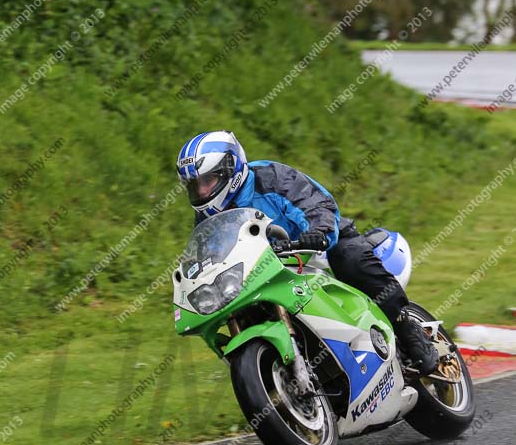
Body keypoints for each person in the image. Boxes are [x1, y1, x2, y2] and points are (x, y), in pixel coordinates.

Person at [176, 130, 438, 375]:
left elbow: (314, 202)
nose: (201, 192)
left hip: (317, 245)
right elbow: (211, 255)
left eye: (207, 181)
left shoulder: (270, 177)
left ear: (230, 169)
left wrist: (318, 231)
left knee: (350, 260)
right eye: (194, 186)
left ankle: (407, 328)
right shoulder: (206, 217)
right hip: (269, 269)